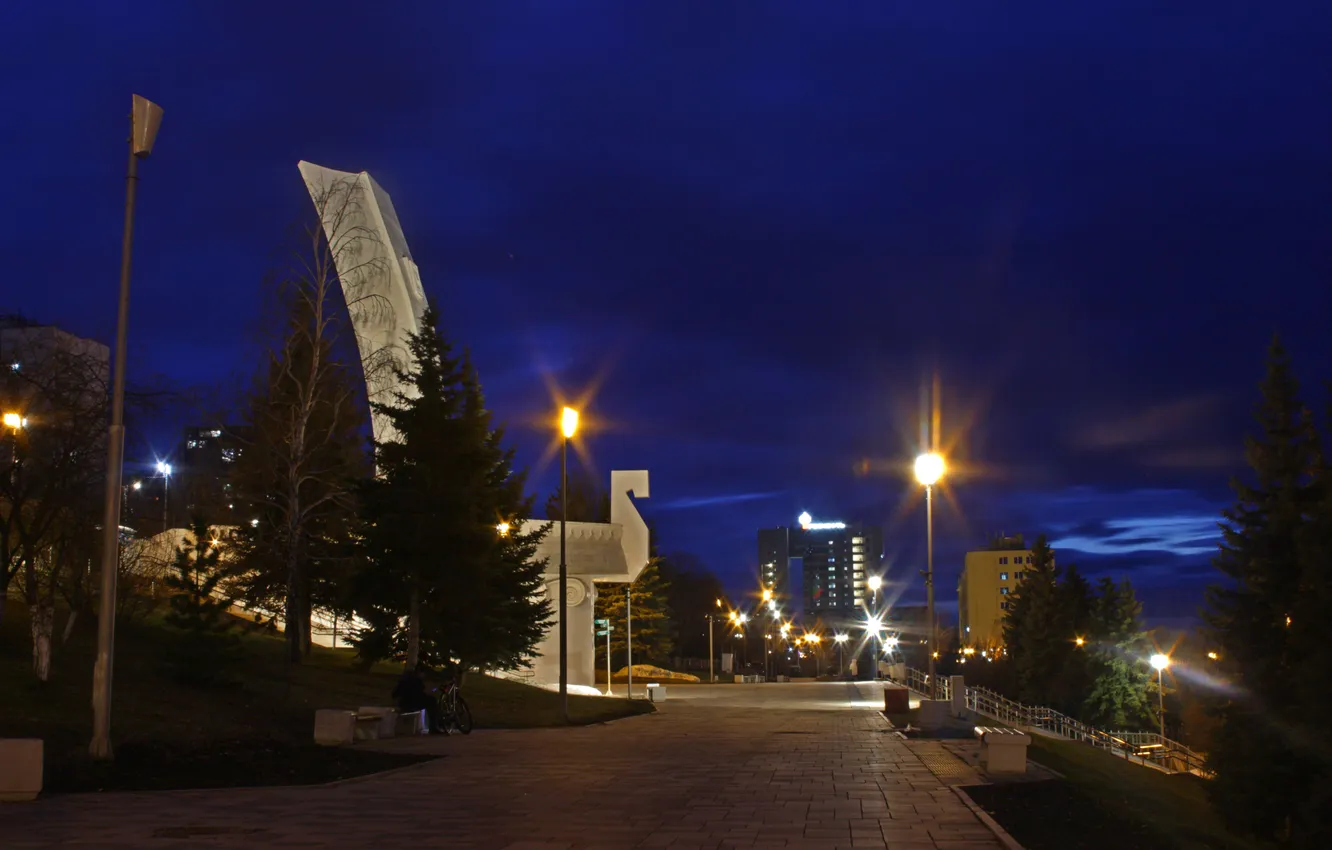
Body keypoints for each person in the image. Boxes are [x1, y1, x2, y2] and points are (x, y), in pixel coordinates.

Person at [392, 663, 442, 733]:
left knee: (430, 700)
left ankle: (435, 726)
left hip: (403, 702)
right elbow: (418, 694)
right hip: (410, 703)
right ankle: (433, 727)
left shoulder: (405, 678)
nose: (424, 676)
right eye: (424, 674)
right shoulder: (416, 681)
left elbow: (395, 693)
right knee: (432, 701)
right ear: (420, 673)